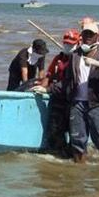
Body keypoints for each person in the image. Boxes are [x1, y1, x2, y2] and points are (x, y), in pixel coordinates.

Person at [56, 20, 99, 163]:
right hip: (77, 103)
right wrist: (47, 88)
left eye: (90, 34)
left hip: (98, 102)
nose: (87, 37)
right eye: (85, 34)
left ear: (97, 36)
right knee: (77, 139)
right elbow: (67, 81)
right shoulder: (75, 55)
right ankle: (79, 169)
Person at [33, 29, 79, 157]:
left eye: (71, 44)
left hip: (73, 100)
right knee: (54, 130)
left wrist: (48, 89)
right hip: (58, 99)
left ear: (77, 44)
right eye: (66, 43)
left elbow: (70, 83)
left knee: (73, 131)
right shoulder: (58, 58)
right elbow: (49, 74)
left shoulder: (79, 60)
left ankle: (73, 155)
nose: (68, 46)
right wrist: (42, 88)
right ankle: (58, 154)